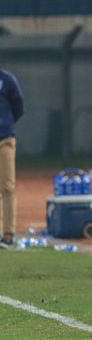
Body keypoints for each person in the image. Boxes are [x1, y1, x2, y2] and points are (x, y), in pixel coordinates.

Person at [0, 68, 23, 249]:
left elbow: (18, 107)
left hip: (4, 140)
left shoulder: (7, 79)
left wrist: (5, 124)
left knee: (7, 186)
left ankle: (8, 234)